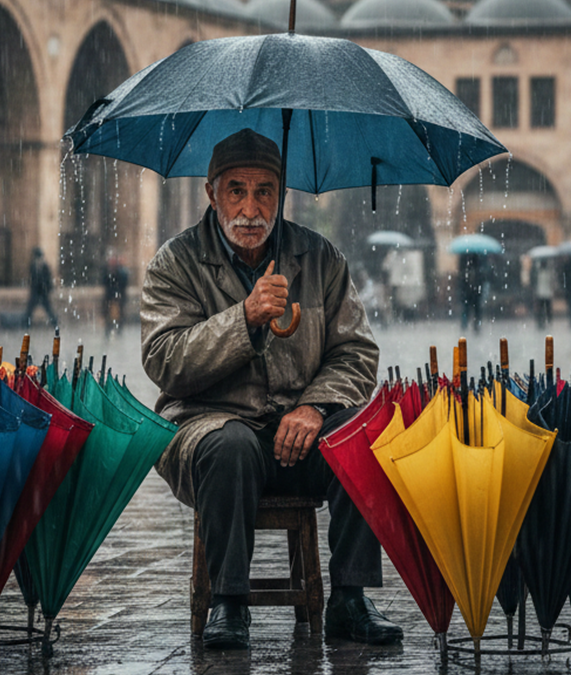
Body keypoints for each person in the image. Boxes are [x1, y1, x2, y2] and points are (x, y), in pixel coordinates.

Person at [140, 129, 398, 651]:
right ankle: (228, 602)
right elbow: (165, 360)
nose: (251, 208)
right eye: (236, 190)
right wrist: (244, 318)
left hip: (296, 432)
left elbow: (356, 353)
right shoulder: (176, 262)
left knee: (360, 436)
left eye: (265, 192)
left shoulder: (319, 258)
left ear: (283, 196)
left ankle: (350, 597)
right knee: (229, 445)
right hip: (208, 428)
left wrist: (313, 405)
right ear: (211, 194)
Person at [23, 247, 58, 328]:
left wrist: (48, 289)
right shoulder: (33, 266)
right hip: (35, 291)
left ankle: (54, 322)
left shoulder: (45, 267)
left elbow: (48, 280)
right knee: (30, 308)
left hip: (43, 292)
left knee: (48, 308)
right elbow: (32, 279)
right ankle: (26, 323)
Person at [103, 253, 130, 337]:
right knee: (108, 313)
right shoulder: (108, 271)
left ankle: (118, 329)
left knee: (120, 313)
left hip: (119, 296)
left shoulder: (121, 272)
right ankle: (109, 328)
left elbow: (123, 283)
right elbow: (105, 282)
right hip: (110, 296)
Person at [458, 253, 484, 332]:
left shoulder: (466, 270)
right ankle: (474, 324)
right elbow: (480, 281)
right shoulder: (477, 271)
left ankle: (467, 324)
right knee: (475, 310)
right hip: (473, 293)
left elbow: (462, 283)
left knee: (468, 309)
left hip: (470, 293)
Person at [532, 257, 554, 328]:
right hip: (544, 293)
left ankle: (543, 320)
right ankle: (543, 320)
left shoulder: (540, 273)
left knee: (544, 308)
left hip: (543, 293)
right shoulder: (544, 272)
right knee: (544, 308)